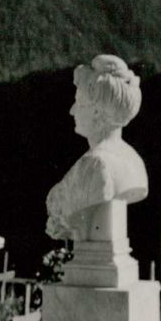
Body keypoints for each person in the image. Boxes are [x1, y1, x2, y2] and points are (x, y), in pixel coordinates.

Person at [45, 55, 147, 240]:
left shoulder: (95, 164)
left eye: (79, 102)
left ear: (98, 111)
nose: (72, 110)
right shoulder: (134, 160)